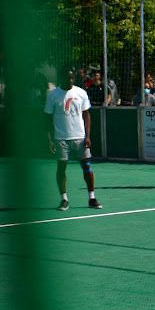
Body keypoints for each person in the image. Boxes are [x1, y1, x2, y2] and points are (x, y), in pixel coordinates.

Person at [44, 67, 101, 211]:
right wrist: (50, 140)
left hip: (80, 137)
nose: (70, 80)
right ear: (61, 78)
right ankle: (64, 199)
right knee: (61, 168)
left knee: (87, 166)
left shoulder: (81, 93)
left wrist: (88, 136)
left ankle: (92, 198)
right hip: (61, 138)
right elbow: (47, 119)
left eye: (72, 78)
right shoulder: (53, 95)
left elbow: (86, 115)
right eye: (67, 77)